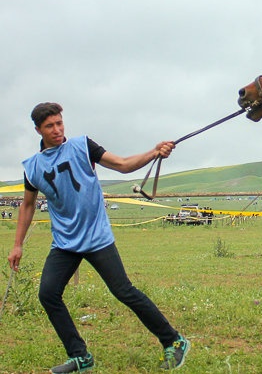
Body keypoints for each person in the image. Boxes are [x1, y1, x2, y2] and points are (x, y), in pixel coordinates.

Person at [7, 102, 190, 373]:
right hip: (65, 242)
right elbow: (28, 205)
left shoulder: (83, 146)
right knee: (48, 294)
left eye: (59, 123)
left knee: (123, 291)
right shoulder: (32, 167)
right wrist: (17, 245)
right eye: (50, 126)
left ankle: (174, 341)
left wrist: (155, 152)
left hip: (96, 237)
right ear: (38, 130)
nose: (57, 129)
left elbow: (123, 165)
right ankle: (80, 356)